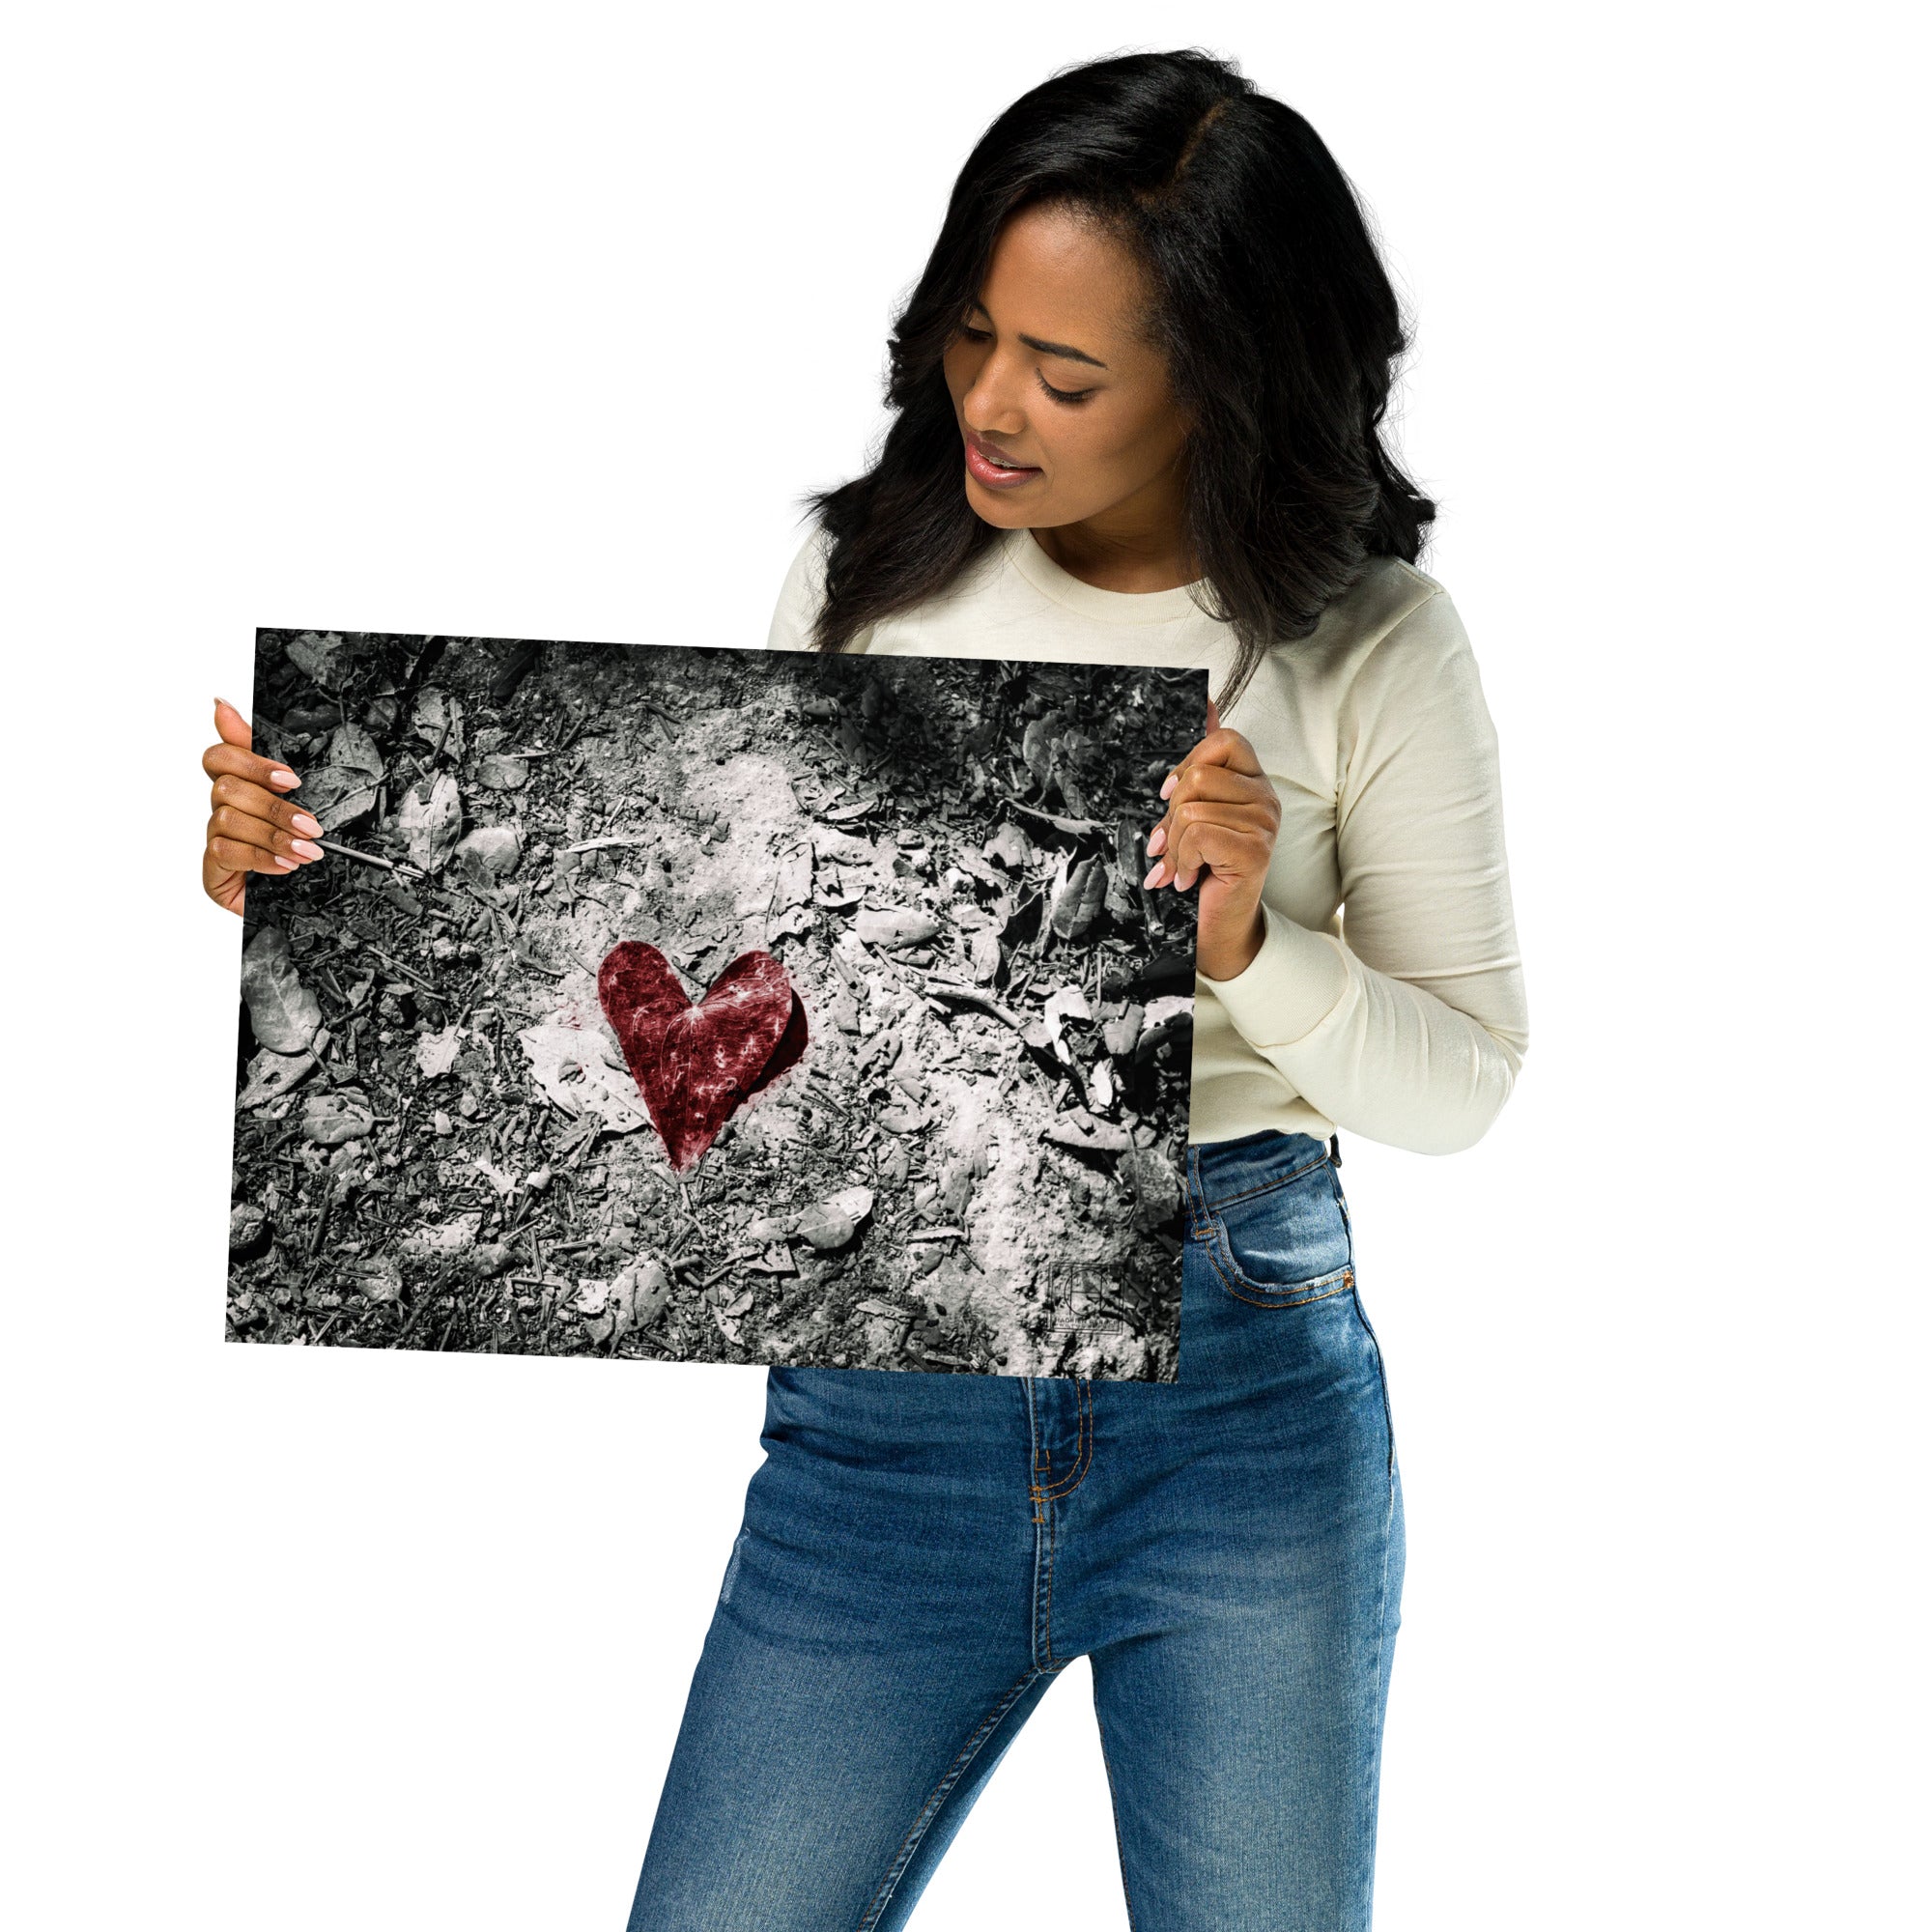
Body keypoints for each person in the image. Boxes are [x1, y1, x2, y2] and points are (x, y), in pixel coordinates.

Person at [199, 48, 1528, 1932]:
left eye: (1065, 374)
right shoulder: (860, 575)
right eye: (971, 334)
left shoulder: (1372, 640)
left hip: (1237, 1400)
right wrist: (339, 883)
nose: (991, 402)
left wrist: (1250, 947)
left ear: (1223, 381)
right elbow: (730, 1024)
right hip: (878, 1426)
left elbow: (1465, 1081)